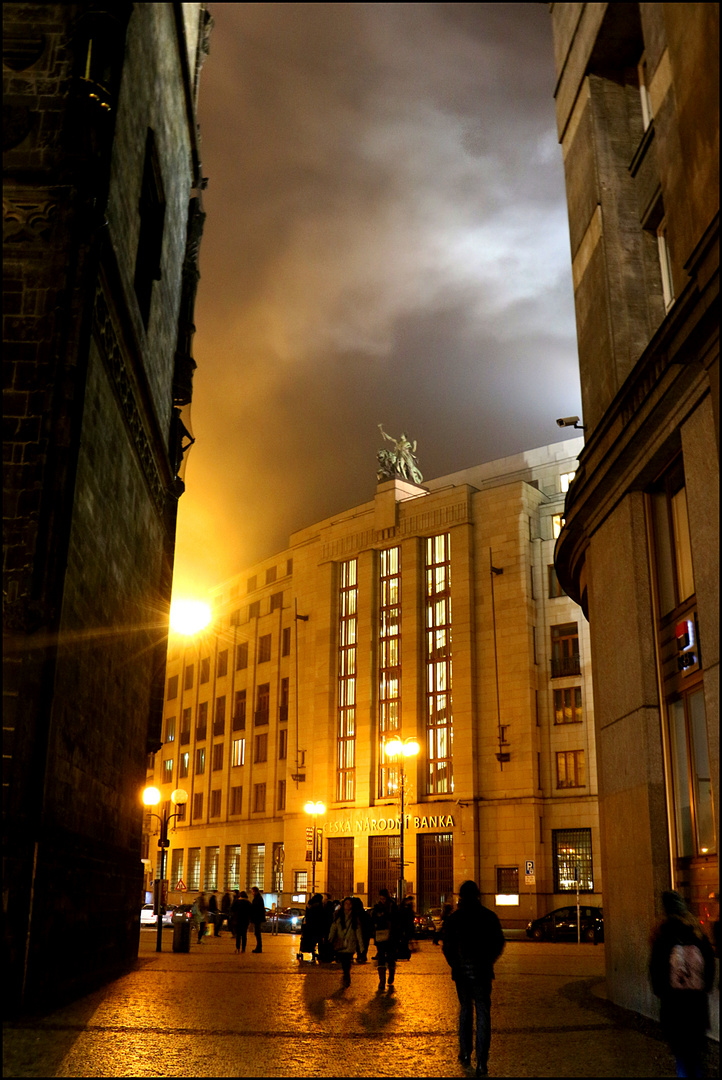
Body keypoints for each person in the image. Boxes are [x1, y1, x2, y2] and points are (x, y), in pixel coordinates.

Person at [649, 890, 715, 1078]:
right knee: (695, 1055)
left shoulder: (662, 936)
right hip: (697, 1006)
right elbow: (709, 969)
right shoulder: (698, 934)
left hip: (674, 1007)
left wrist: (664, 992)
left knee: (682, 1056)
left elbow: (656, 974)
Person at [443, 880, 505, 1077]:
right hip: (482, 973)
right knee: (483, 1012)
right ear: (477, 895)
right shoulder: (489, 917)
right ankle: (482, 1062)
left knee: (465, 1010)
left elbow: (447, 947)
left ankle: (465, 1052)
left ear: (460, 896)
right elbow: (499, 943)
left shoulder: (454, 919)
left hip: (461, 974)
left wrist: (456, 964)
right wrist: (488, 961)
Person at [327, 896, 365, 988]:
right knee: (344, 961)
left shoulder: (354, 917)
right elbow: (333, 928)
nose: (347, 905)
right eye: (346, 904)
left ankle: (346, 975)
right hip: (340, 942)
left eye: (349, 904)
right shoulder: (338, 915)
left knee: (347, 960)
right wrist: (330, 939)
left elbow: (358, 931)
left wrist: (361, 946)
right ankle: (346, 974)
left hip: (350, 942)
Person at [371, 888, 400, 991]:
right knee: (381, 957)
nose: (382, 900)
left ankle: (391, 974)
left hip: (391, 936)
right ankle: (382, 981)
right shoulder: (377, 907)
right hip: (380, 936)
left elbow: (397, 920)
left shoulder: (393, 906)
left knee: (391, 957)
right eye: (381, 898)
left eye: (383, 898)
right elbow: (373, 920)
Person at [250, 886, 266, 953]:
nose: (252, 893)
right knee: (257, 933)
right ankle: (258, 947)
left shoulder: (258, 898)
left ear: (255, 891)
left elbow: (256, 909)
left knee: (257, 933)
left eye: (252, 891)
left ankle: (259, 947)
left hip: (257, 918)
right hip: (258, 918)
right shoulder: (258, 898)